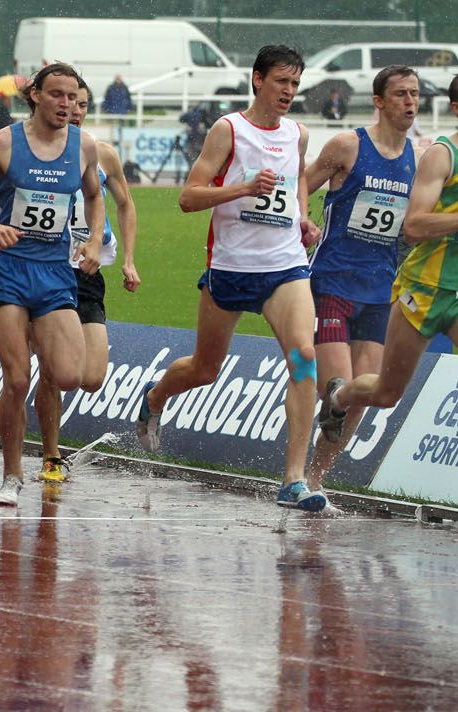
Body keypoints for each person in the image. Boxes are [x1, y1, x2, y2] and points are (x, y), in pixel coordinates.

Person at [319, 68, 458, 532]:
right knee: (386, 393)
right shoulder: (440, 155)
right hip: (423, 291)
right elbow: (413, 226)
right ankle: (341, 395)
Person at [134, 45, 325, 511]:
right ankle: (155, 397)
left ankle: (294, 481)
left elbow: (298, 177)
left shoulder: (297, 133)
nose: (289, 91)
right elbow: (188, 197)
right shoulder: (229, 130)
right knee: (205, 369)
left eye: (295, 84)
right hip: (232, 269)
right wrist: (243, 187)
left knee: (304, 358)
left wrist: (302, 216)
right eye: (281, 81)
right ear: (258, 79)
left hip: (285, 266)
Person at [0, 62, 106, 506]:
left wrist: (95, 239)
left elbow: (95, 196)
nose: (66, 104)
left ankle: (39, 348)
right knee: (17, 380)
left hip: (55, 272)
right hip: (8, 270)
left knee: (70, 375)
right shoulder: (3, 143)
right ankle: (12, 475)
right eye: (57, 94)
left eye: (72, 96)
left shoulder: (84, 146)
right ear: (35, 95)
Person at [299, 65, 420, 497]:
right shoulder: (348, 146)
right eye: (401, 94)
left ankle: (314, 482)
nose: (410, 101)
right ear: (379, 101)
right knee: (334, 387)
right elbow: (303, 182)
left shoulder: (420, 157)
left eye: (415, 94)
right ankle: (302, 472)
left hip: (380, 290)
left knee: (357, 399)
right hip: (332, 281)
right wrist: (301, 219)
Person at [34, 79, 140, 482]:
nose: (74, 109)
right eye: (68, 101)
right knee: (53, 371)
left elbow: (126, 205)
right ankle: (51, 455)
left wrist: (128, 259)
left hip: (89, 274)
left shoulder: (102, 153)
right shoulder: (37, 151)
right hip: (47, 271)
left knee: (91, 378)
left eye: (81, 103)